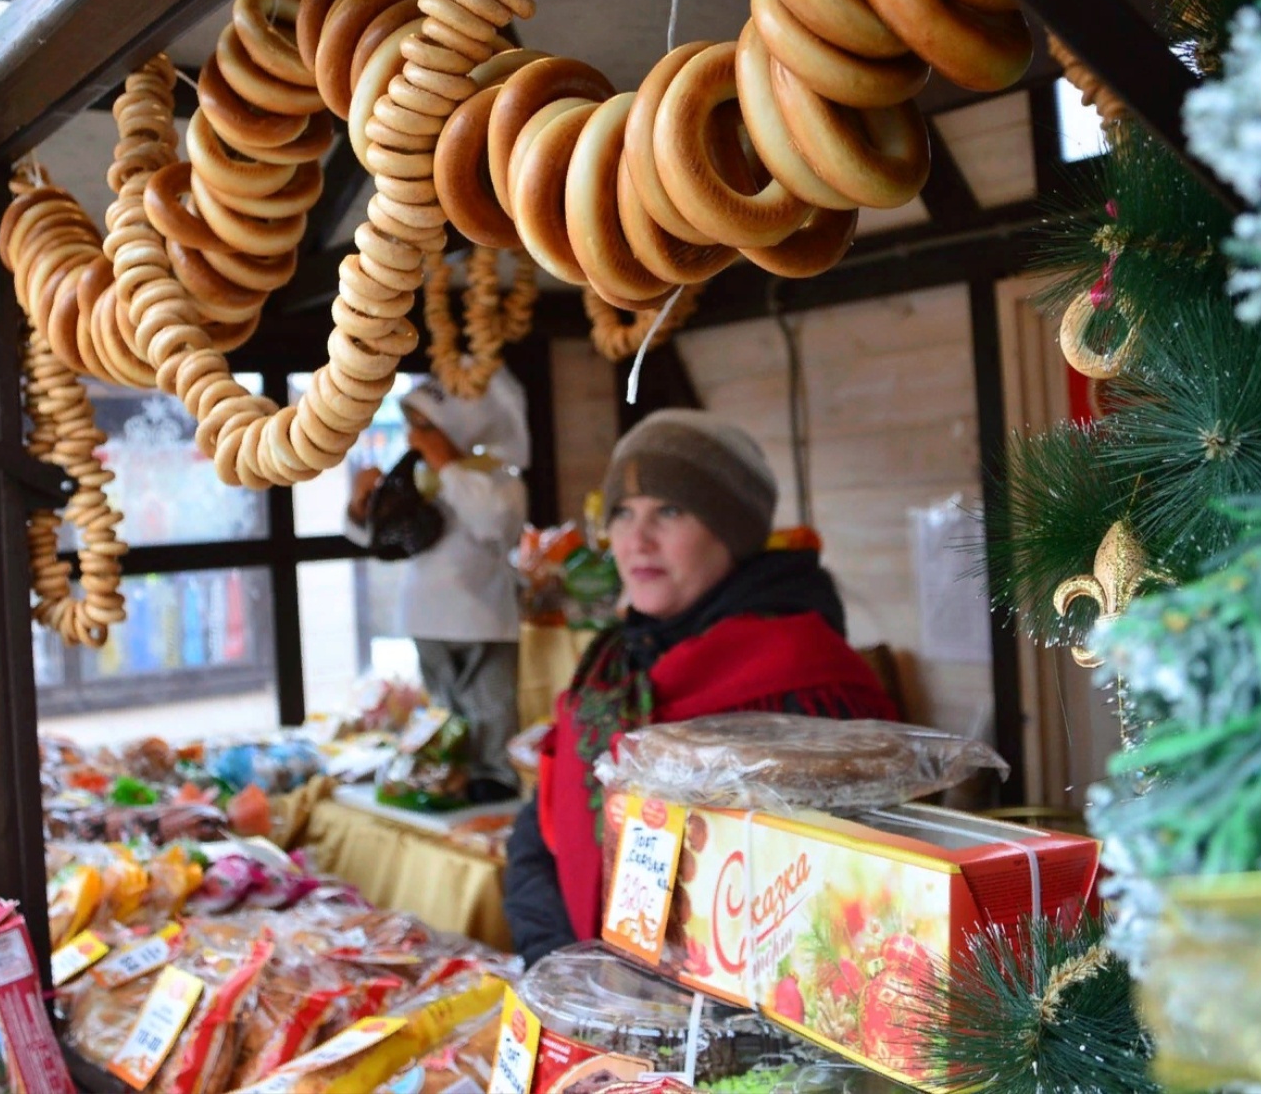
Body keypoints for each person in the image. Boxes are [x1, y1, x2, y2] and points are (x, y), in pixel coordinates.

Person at [504, 409, 898, 964]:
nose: (636, 540)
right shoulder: (613, 663)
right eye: (622, 513)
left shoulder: (805, 678)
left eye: (669, 510)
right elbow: (542, 829)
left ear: (731, 531)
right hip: (598, 1000)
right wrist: (563, 962)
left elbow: (832, 900)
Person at [346, 371, 529, 803]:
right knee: (442, 709)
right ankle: (444, 774)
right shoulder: (413, 476)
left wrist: (449, 466)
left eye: (426, 427)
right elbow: (376, 536)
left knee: (491, 704)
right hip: (425, 615)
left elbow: (494, 524)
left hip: (483, 614)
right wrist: (361, 505)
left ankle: (494, 782)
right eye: (412, 425)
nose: (415, 436)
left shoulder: (497, 479)